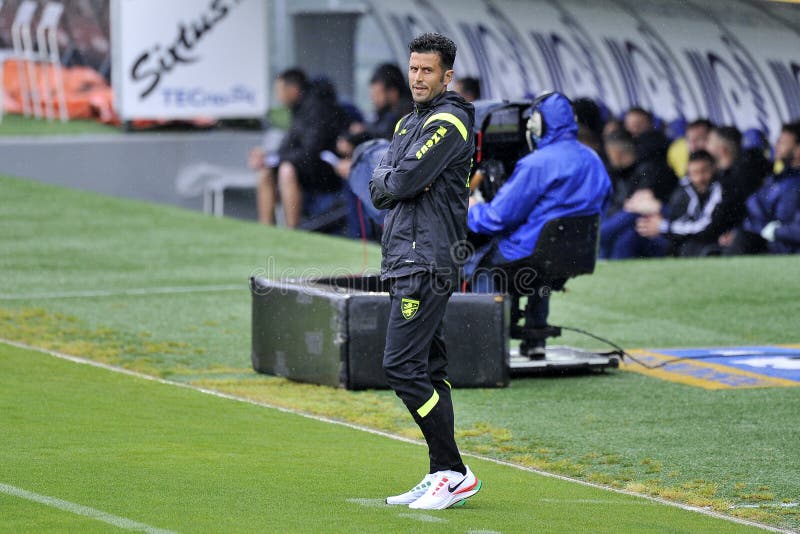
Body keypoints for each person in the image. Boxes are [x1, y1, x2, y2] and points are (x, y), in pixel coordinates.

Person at [369, 32, 481, 510]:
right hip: (404, 259)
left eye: (427, 71)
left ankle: (454, 469)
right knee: (430, 369)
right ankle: (441, 472)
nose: (417, 78)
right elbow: (380, 187)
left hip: (428, 260)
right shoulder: (405, 125)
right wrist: (393, 179)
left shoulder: (450, 122)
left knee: (400, 365)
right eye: (413, 69)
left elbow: (404, 178)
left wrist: (393, 179)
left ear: (446, 75)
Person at [466, 92, 611, 357]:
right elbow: (602, 203)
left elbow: (498, 217)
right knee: (543, 267)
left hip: (531, 250)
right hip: (575, 251)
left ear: (540, 124)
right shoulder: (593, 159)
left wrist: (468, 212)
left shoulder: (536, 164)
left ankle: (483, 343)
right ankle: (536, 337)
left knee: (480, 265)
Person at [252, 69, 348, 228]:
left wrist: (278, 159)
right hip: (304, 165)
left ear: (293, 89)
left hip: (325, 170)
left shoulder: (316, 108)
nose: (278, 96)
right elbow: (289, 144)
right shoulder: (298, 109)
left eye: (280, 90)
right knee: (265, 172)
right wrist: (268, 158)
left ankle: (292, 231)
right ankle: (265, 230)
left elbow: (311, 151)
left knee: (286, 170)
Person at [599, 130, 676, 259]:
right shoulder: (619, 173)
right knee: (624, 237)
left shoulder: (649, 169)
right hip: (631, 225)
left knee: (608, 233)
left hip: (654, 224)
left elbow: (642, 204)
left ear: (615, 153)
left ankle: (598, 236)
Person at [635, 150, 726, 256]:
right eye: (695, 173)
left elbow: (705, 227)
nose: (700, 178)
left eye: (704, 171)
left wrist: (664, 227)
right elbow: (675, 215)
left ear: (714, 169)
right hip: (679, 235)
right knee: (634, 228)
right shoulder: (684, 187)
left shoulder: (720, 189)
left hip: (703, 241)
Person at [733, 122, 800, 254]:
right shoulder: (777, 177)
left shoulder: (794, 183)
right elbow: (753, 208)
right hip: (767, 242)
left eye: (783, 142)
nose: (776, 146)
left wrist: (774, 231)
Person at [365, 63, 413, 140]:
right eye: (372, 94)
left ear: (393, 92)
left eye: (378, 94)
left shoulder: (409, 115)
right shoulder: (383, 113)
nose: (374, 99)